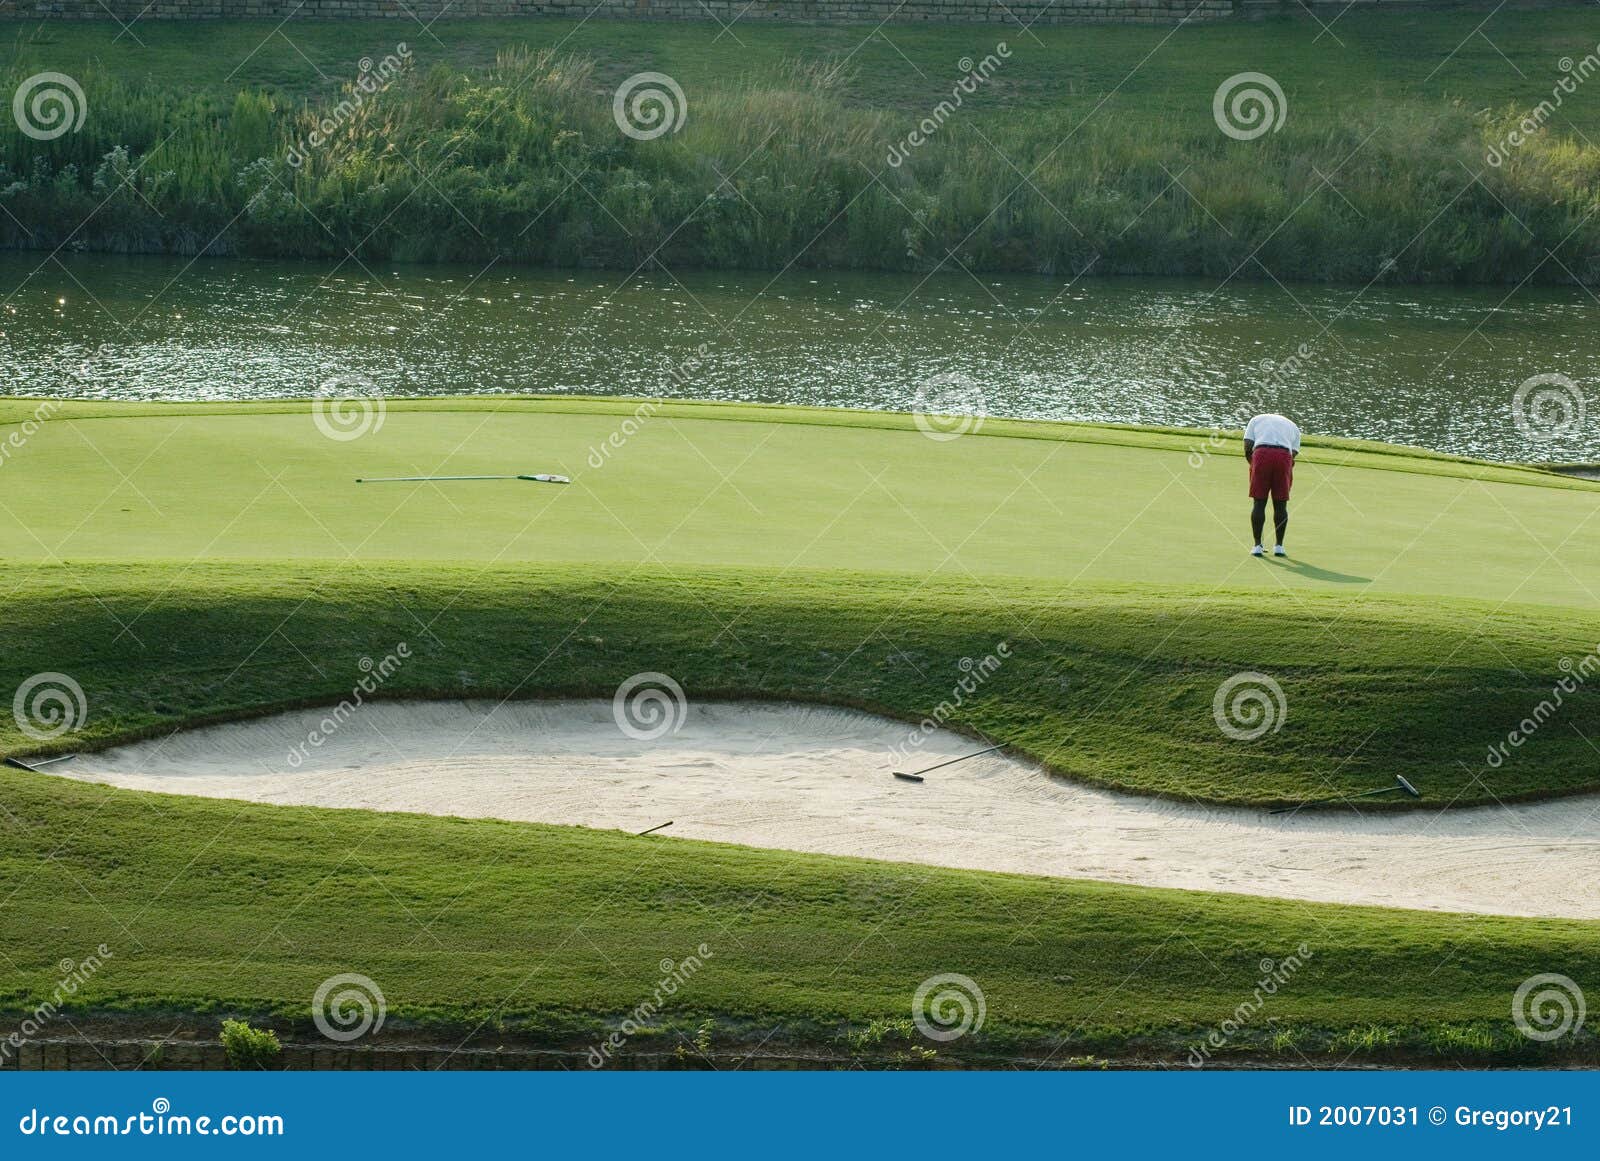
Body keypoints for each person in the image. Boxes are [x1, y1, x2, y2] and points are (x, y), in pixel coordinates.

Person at [1242, 412, 1301, 557]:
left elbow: (1247, 446)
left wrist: (1253, 465)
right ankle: (1279, 546)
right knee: (1281, 504)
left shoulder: (1255, 420)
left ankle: (1257, 546)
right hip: (1284, 456)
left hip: (1261, 453)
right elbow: (1293, 454)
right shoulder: (1293, 426)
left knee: (1259, 502)